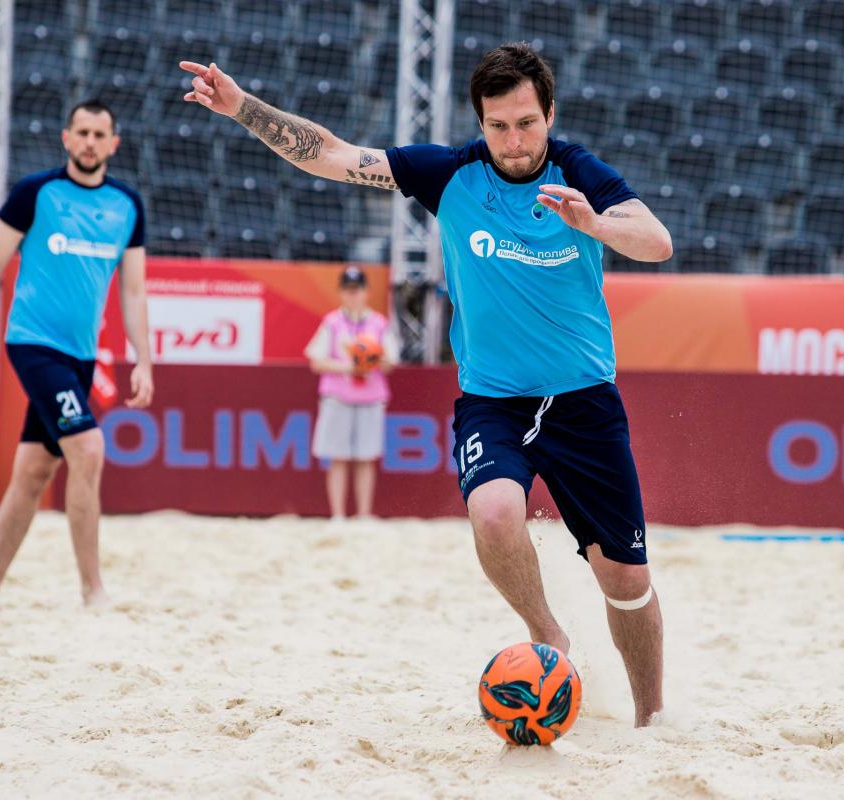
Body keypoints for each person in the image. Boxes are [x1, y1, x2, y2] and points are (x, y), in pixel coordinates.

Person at [179, 42, 672, 725]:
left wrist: (594, 222)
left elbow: (656, 240)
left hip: (584, 400)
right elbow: (331, 155)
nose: (514, 140)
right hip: (494, 401)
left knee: (626, 581)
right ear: (480, 122)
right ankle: (547, 635)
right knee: (493, 512)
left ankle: (651, 717)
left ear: (550, 114)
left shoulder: (578, 172)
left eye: (526, 123)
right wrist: (242, 108)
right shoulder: (450, 174)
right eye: (498, 126)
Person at [0, 99, 153, 615]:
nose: (89, 142)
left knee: (33, 473)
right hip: (33, 342)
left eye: (99, 134)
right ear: (66, 138)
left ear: (114, 144)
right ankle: (93, 592)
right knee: (88, 448)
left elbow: (133, 291)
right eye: (81, 132)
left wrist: (144, 360)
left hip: (80, 355)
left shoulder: (127, 205)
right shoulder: (35, 193)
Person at [304, 265, 400, 520]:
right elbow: (316, 361)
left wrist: (370, 359)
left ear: (366, 292)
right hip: (338, 396)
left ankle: (364, 513)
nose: (353, 295)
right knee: (338, 457)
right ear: (341, 292)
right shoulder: (332, 322)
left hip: (370, 397)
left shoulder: (379, 324)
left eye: (357, 290)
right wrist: (350, 366)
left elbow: (390, 362)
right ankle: (337, 514)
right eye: (348, 290)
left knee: (365, 457)